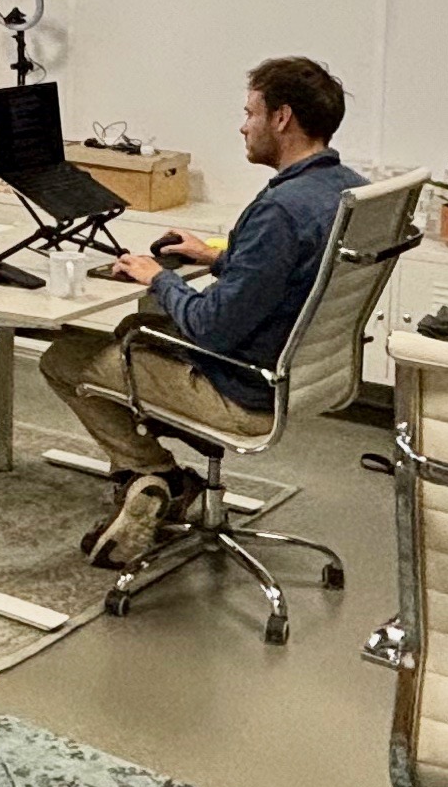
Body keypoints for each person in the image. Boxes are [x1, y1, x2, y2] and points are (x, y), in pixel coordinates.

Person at [44, 55, 363, 568]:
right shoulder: (344, 188)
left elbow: (210, 327)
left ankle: (159, 476)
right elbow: (295, 271)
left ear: (281, 118)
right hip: (301, 375)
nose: (243, 126)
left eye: (250, 113)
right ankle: (152, 479)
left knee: (64, 357)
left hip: (242, 389)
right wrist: (216, 256)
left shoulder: (280, 210)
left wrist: (159, 276)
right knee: (134, 327)